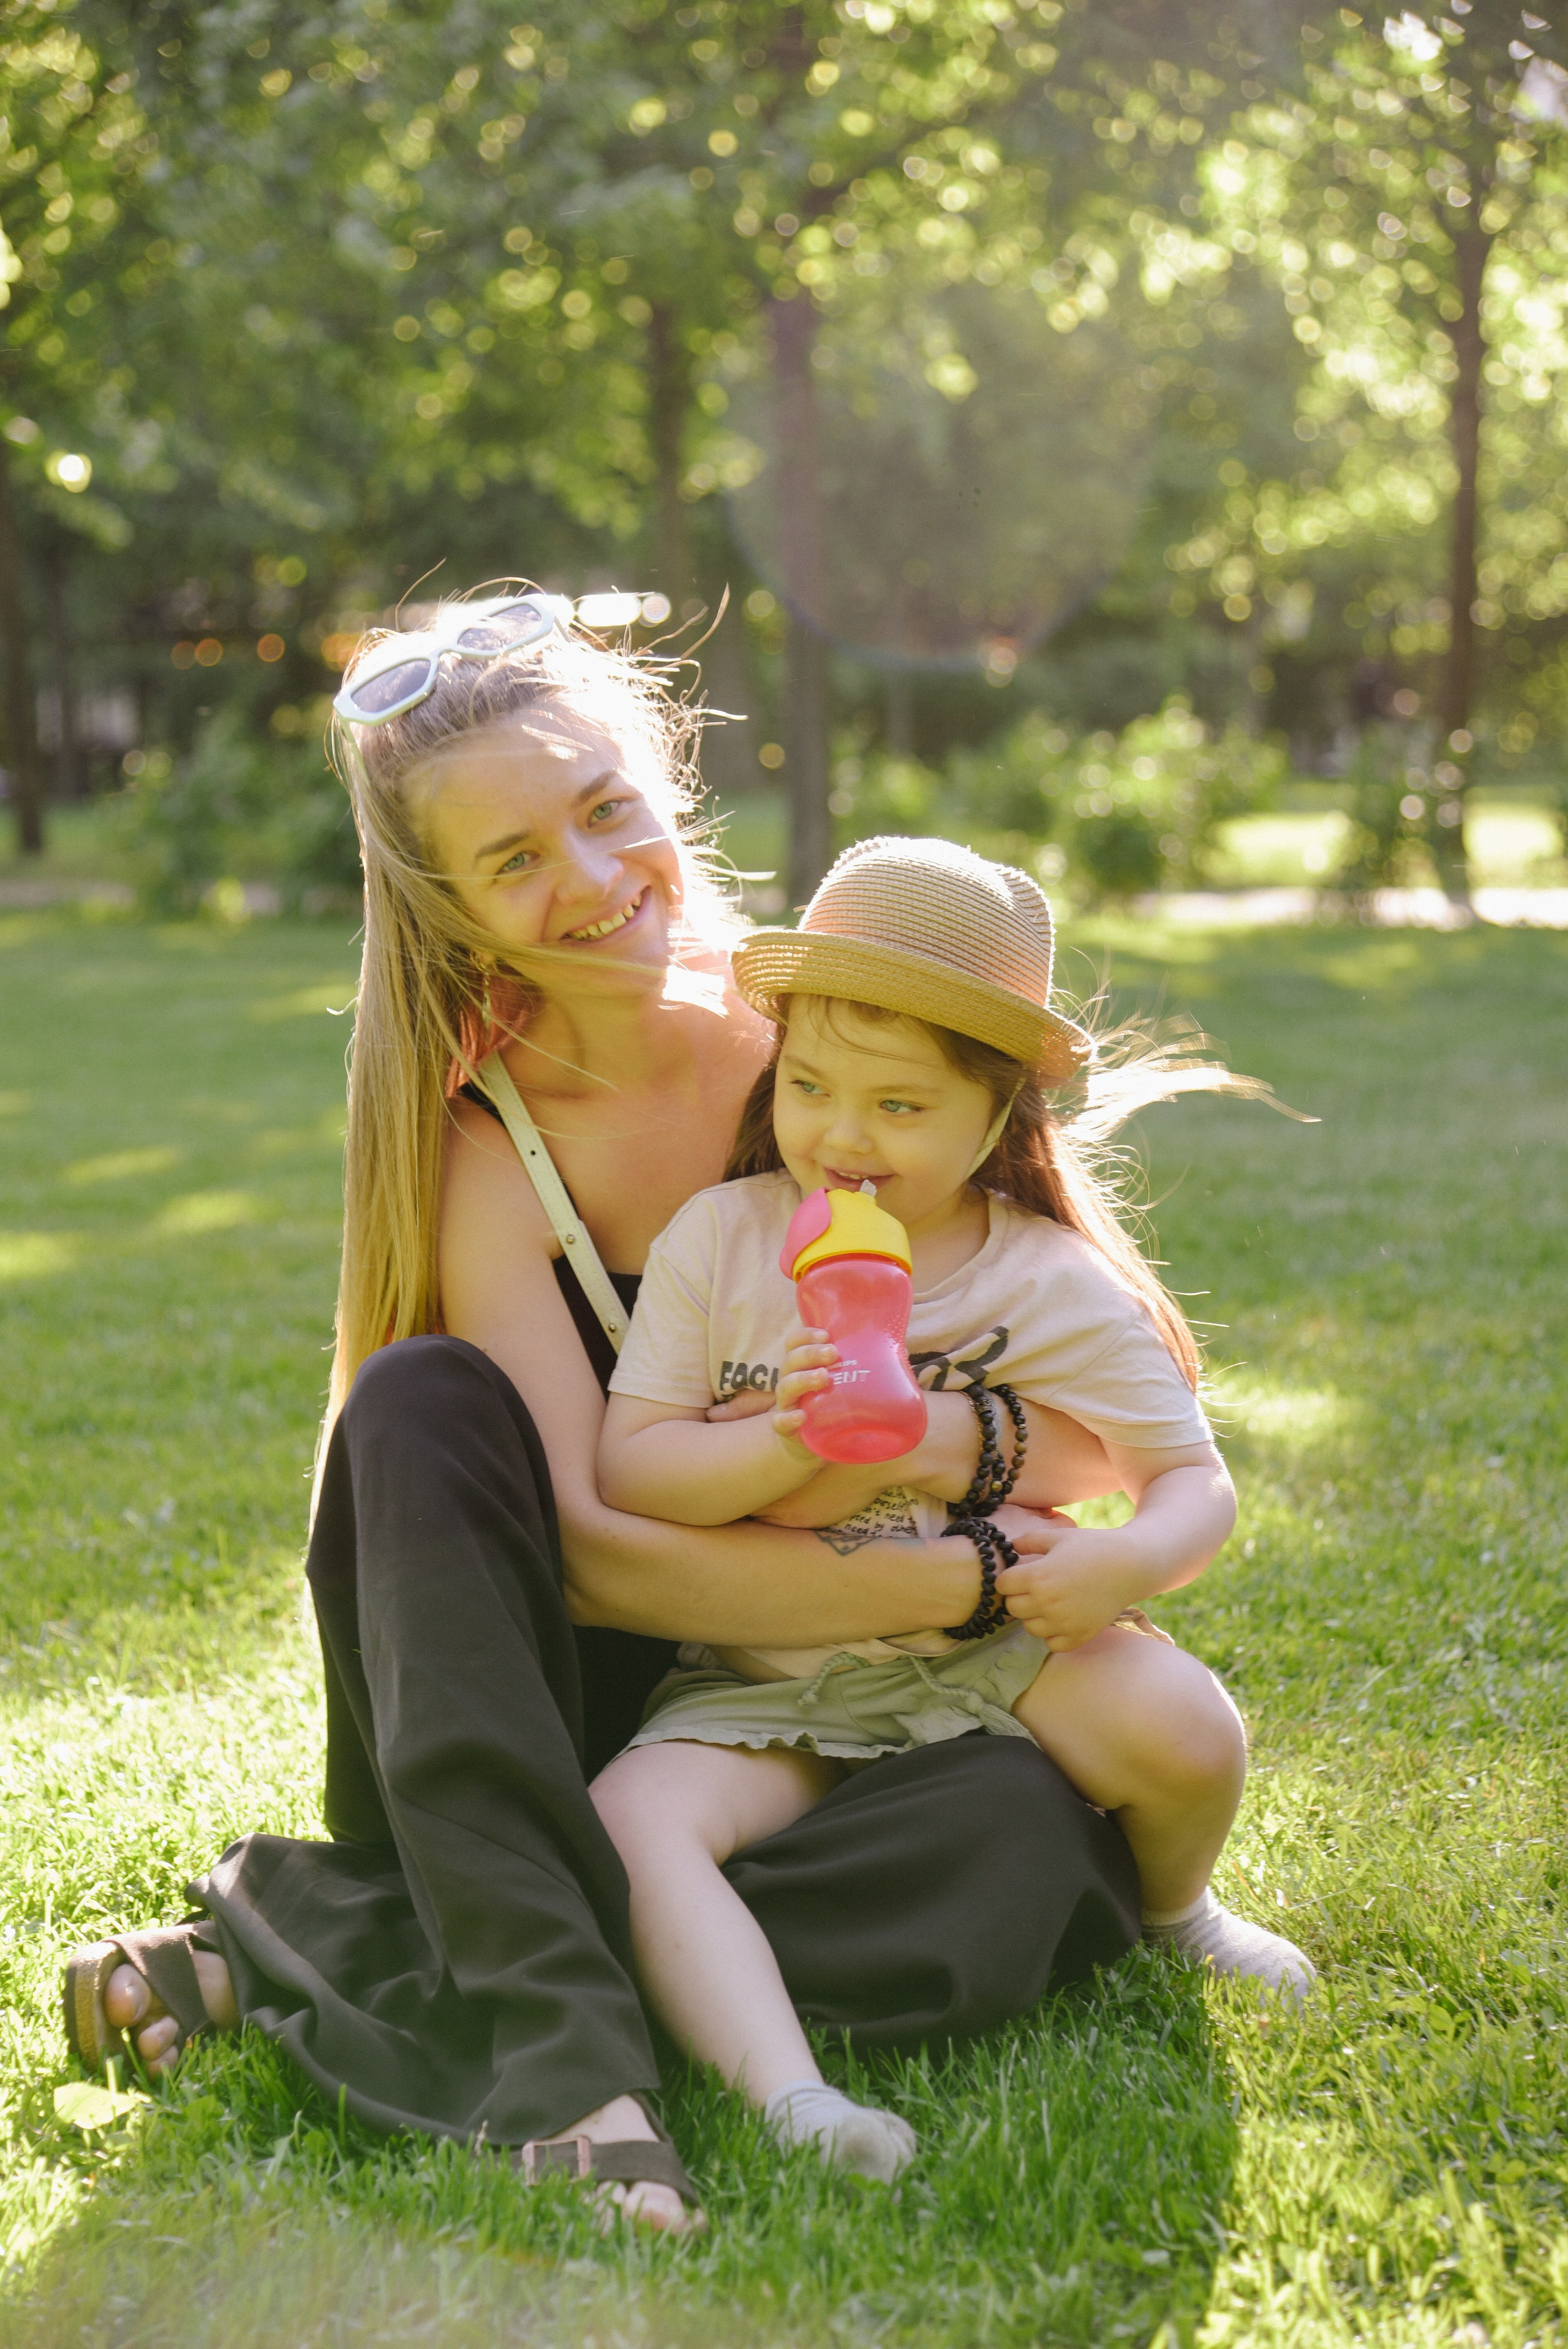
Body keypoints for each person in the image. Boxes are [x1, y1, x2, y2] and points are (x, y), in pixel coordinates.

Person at [62, 589, 1170, 2234]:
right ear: (450, 903)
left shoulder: (838, 1045)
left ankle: (347, 1935)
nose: (588, 881)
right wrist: (944, 1580)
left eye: (605, 809)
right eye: (513, 860)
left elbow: (1116, 1421)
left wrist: (956, 1463)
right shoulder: (486, 1140)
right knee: (421, 1401)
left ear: (666, 780)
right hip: (524, 1724)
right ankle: (571, 2061)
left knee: (1035, 1840)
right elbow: (595, 1556)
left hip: (816, 1716)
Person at [592, 837, 1316, 2181]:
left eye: (899, 1107)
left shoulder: (1040, 1285)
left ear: (996, 1121)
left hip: (987, 1646)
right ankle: (792, 2099)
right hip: (767, 1670)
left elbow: (1190, 1478)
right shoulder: (724, 1240)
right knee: (632, 1823)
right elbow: (634, 1469)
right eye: (807, 1086)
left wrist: (1120, 1572)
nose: (842, 1139)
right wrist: (779, 1443)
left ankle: (1175, 1911)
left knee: (1185, 1728)